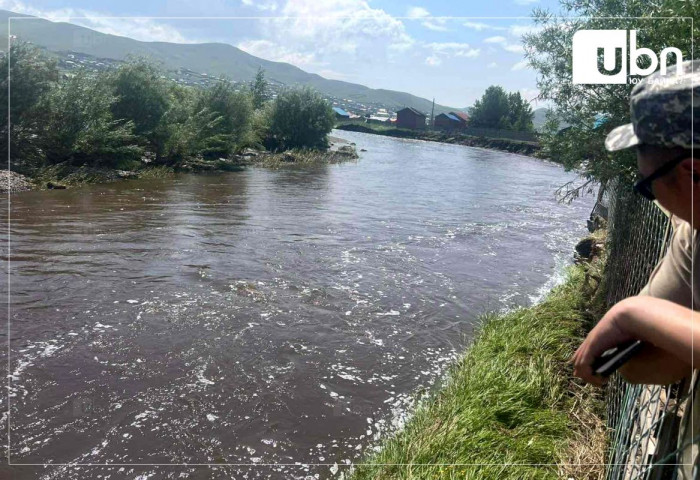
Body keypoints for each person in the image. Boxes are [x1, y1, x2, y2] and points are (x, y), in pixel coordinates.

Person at [572, 59, 699, 478]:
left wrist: (634, 314)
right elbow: (657, 364)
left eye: (647, 188)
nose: (656, 200)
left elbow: (655, 329)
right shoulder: (694, 232)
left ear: (693, 172)